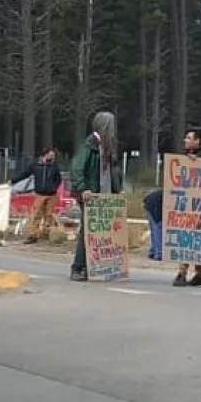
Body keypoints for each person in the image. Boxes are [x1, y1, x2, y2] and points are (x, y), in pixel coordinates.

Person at [69, 111, 122, 282]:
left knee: (101, 233)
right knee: (87, 231)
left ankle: (95, 266)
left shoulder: (107, 146)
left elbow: (112, 172)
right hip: (90, 196)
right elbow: (77, 168)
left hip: (103, 196)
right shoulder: (89, 146)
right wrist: (83, 188)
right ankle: (78, 267)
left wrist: (117, 190)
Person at [173, 126, 201, 287]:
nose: (185, 140)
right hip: (186, 207)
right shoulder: (183, 160)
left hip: (200, 208)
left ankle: (182, 273)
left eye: (189, 137)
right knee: (189, 240)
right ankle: (200, 273)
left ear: (198, 141)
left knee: (192, 240)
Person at [12, 146, 63, 244]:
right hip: (40, 194)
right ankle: (32, 235)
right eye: (51, 155)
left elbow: (58, 179)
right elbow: (25, 174)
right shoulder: (35, 165)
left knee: (49, 215)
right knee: (36, 215)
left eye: (54, 156)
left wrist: (54, 187)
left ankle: (46, 234)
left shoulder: (54, 166)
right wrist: (13, 180)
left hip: (51, 194)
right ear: (45, 154)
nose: (53, 157)